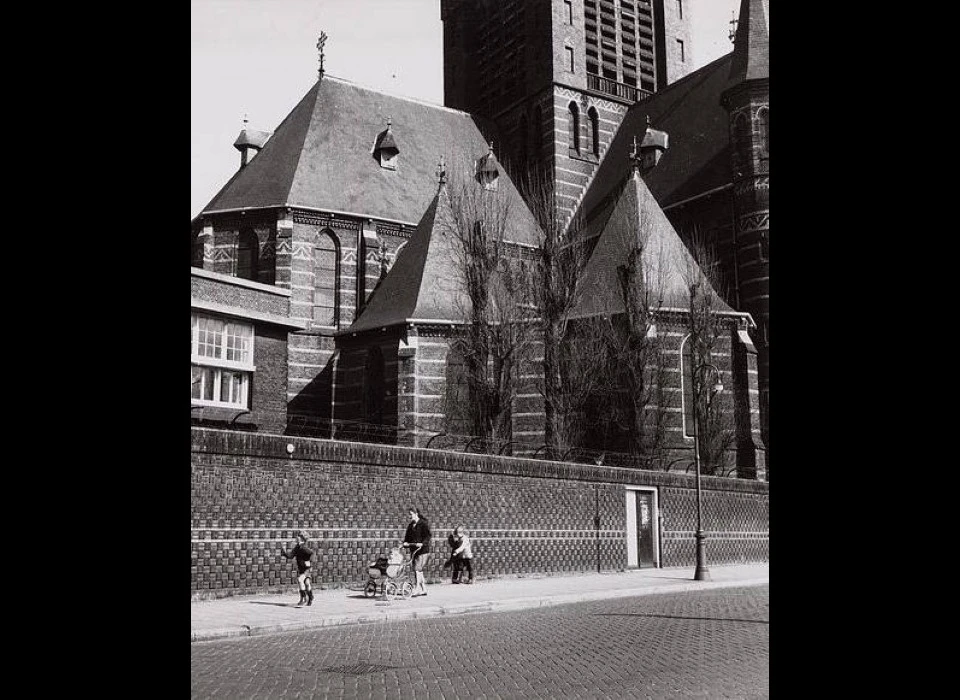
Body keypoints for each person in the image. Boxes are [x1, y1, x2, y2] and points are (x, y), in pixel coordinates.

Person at [279, 530, 315, 606]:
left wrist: (308, 561)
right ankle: (310, 597)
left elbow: (311, 553)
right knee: (307, 583)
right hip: (301, 568)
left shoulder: (303, 547)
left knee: (300, 580)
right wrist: (284, 553)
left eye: (298, 536)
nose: (296, 537)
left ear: (302, 538)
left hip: (306, 569)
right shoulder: (297, 547)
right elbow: (291, 556)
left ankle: (304, 598)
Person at [401, 507, 432, 597]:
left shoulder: (423, 524)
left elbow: (428, 536)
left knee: (417, 568)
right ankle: (424, 589)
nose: (410, 516)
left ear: (416, 514)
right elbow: (407, 537)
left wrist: (422, 543)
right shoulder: (411, 525)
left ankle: (417, 588)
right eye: (409, 515)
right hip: (414, 550)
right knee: (418, 570)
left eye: (411, 514)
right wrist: (405, 543)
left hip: (423, 550)